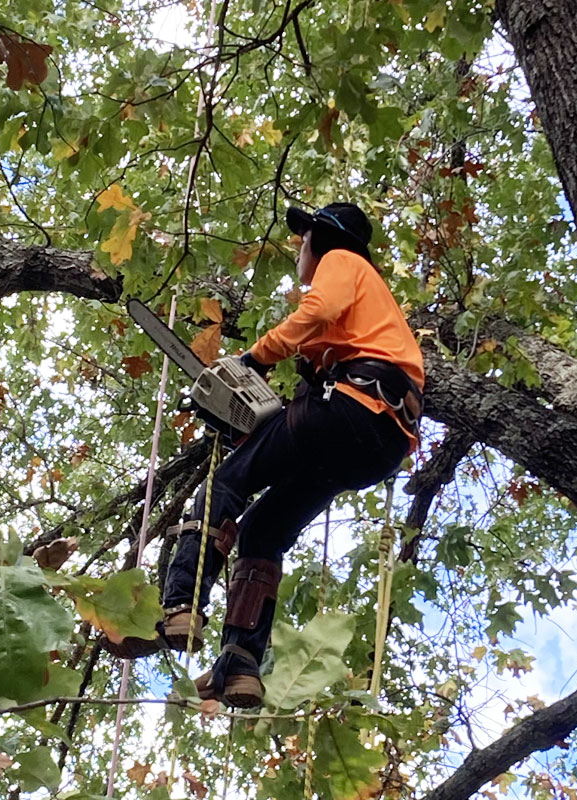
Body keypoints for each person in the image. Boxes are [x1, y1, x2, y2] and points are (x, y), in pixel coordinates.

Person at [106, 202, 425, 708]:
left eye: (303, 241)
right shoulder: (369, 319)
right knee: (263, 530)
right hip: (378, 444)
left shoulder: (343, 263)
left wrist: (251, 357)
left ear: (322, 239)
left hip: (349, 409)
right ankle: (240, 663)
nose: (300, 250)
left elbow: (313, 312)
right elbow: (309, 383)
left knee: (226, 485)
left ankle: (181, 603)